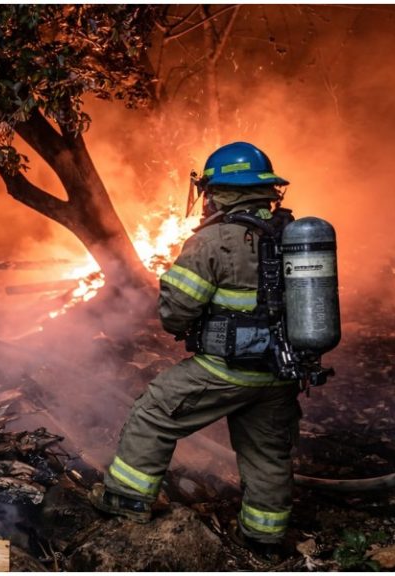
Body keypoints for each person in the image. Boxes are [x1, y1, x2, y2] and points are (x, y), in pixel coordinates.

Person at [90, 142, 301, 556]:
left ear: (218, 191)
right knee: (267, 452)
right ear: (264, 190)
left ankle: (126, 501)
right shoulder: (292, 236)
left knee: (153, 413)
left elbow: (176, 312)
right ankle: (265, 539)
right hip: (281, 371)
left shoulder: (212, 242)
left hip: (225, 370)